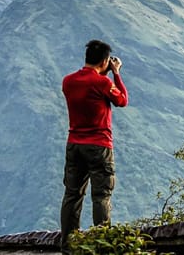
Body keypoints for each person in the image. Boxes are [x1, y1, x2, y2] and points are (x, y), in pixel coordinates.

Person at [60, 39, 128, 251]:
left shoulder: (68, 81)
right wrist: (116, 73)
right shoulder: (104, 83)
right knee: (101, 196)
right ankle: (102, 246)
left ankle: (68, 246)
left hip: (74, 145)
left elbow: (91, 88)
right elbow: (122, 100)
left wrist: (104, 74)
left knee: (72, 195)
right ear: (106, 60)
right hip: (99, 146)